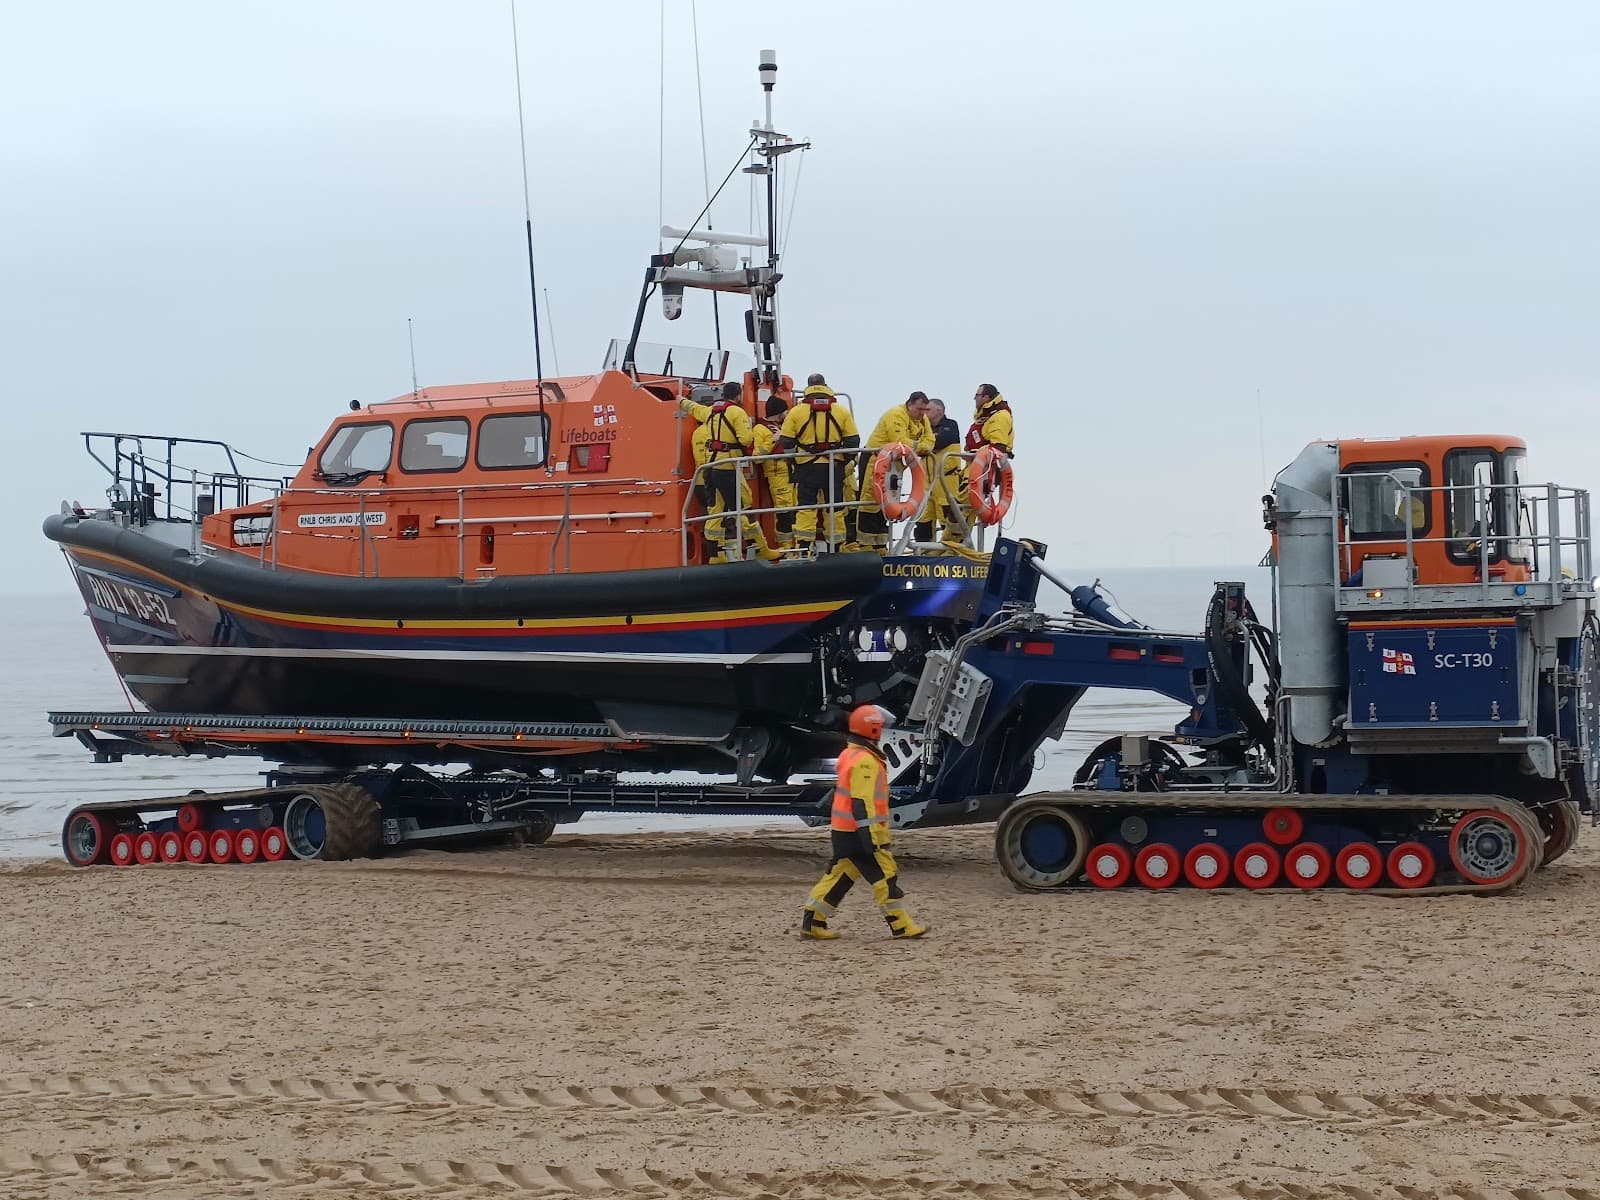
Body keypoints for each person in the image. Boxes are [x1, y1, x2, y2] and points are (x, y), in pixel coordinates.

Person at [800, 703, 928, 941]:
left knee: (840, 875)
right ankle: (901, 926)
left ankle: (813, 920)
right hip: (860, 832)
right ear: (873, 731)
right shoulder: (866, 762)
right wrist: (871, 837)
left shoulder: (850, 754)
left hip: (844, 831)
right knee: (885, 875)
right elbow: (862, 802)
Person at [679, 381, 772, 562]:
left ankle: (716, 555)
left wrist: (681, 401)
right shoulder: (738, 412)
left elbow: (695, 409)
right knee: (744, 506)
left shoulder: (712, 410)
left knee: (716, 511)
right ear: (738, 395)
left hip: (709, 468)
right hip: (728, 466)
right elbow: (745, 440)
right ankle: (760, 548)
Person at [779, 376, 859, 553]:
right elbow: (853, 441)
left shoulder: (796, 411)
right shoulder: (842, 411)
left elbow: (786, 441)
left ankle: (804, 546)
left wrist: (795, 460)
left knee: (806, 506)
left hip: (806, 468)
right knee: (835, 507)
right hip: (834, 467)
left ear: (809, 387)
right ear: (825, 386)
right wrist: (842, 460)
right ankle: (836, 547)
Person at [856, 391, 935, 552]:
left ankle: (880, 545)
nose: (922, 413)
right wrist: (920, 446)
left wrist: (918, 446)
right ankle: (865, 545)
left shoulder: (922, 419)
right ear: (910, 404)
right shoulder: (896, 415)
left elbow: (930, 440)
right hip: (875, 459)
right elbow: (900, 441)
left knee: (887, 505)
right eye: (919, 409)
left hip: (895, 466)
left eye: (925, 410)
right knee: (869, 503)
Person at [957, 383, 1015, 539]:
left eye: (977, 396)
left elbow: (997, 449)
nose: (974, 399)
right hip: (972, 468)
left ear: (986, 397)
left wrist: (975, 454)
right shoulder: (984, 416)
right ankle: (953, 545)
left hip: (984, 471)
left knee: (964, 507)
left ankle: (957, 546)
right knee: (958, 508)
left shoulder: (1000, 416)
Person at [750, 394, 797, 551]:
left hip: (791, 474)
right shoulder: (760, 429)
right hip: (777, 476)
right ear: (779, 411)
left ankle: (797, 547)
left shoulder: (782, 426)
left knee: (796, 512)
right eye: (785, 411)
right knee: (784, 514)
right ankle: (786, 548)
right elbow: (757, 457)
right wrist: (773, 440)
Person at [930, 414, 971, 549]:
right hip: (927, 483)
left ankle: (952, 549)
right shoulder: (924, 427)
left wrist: (926, 440)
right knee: (924, 522)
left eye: (928, 409)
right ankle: (925, 552)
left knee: (947, 517)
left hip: (947, 481)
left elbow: (937, 442)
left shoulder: (950, 425)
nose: (924, 412)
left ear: (938, 410)